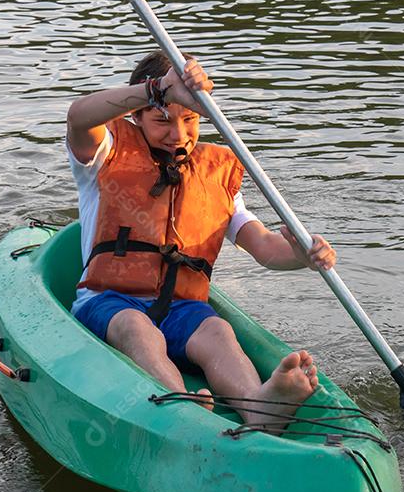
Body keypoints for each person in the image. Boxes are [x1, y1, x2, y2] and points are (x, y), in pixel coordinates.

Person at [65, 52, 337, 426]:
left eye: (190, 119)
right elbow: (79, 115)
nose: (178, 135)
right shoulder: (104, 153)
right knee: (136, 328)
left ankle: (260, 405)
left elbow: (263, 247)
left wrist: (302, 254)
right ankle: (181, 405)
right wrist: (156, 89)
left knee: (217, 332)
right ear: (137, 114)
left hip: (180, 308)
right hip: (109, 301)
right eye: (162, 120)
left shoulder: (216, 173)